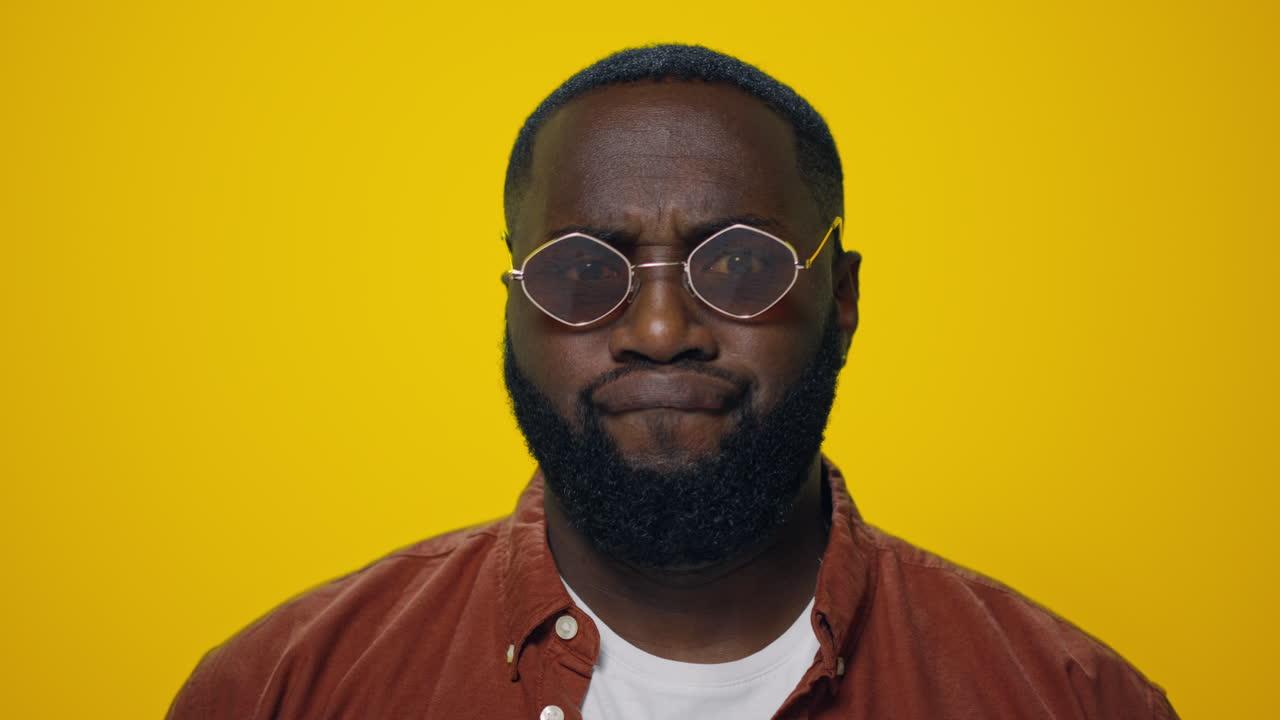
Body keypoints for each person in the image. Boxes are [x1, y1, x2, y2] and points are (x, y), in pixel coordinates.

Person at [168, 44, 1178, 720]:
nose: (658, 330)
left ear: (842, 297)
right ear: (514, 303)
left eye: (738, 264)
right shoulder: (283, 691)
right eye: (580, 269)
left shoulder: (1068, 700)